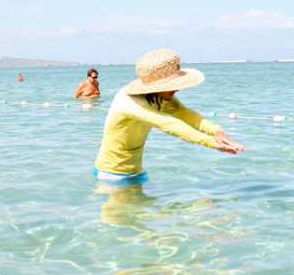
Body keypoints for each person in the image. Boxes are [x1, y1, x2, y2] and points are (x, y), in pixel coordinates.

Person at [93, 48, 242, 185]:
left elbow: (184, 113)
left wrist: (216, 130)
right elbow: (168, 124)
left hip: (134, 171)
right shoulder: (130, 102)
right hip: (112, 175)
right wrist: (211, 143)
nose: (177, 89)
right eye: (172, 84)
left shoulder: (159, 97)